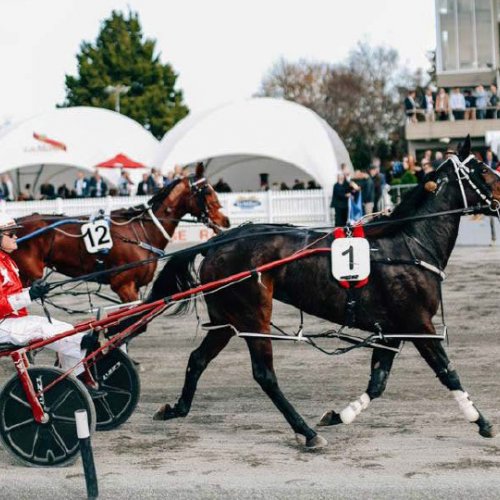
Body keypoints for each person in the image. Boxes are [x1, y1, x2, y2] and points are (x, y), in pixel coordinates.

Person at [0, 214, 100, 392]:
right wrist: (29, 295)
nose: (16, 237)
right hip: (3, 325)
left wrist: (33, 291)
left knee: (66, 329)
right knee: (47, 330)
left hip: (11, 322)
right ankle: (74, 375)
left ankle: (73, 379)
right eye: (11, 233)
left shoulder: (7, 261)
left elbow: (11, 294)